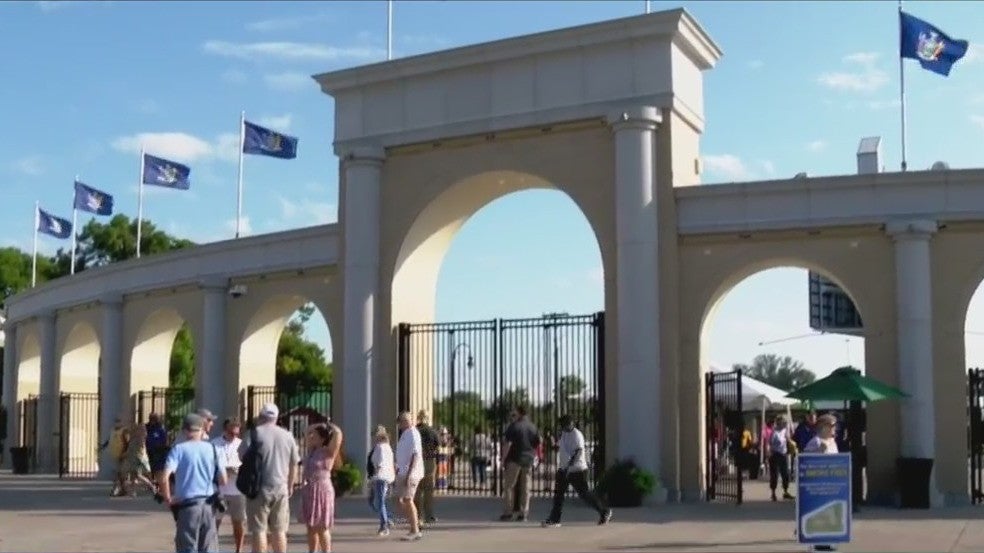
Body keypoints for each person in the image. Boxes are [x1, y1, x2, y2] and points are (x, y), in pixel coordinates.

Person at [158, 413, 226, 553]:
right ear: (202, 430)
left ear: (184, 431)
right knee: (208, 547)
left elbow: (164, 477)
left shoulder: (178, 449)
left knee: (187, 546)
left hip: (188, 506)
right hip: (208, 505)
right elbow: (223, 480)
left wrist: (168, 498)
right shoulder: (213, 449)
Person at [238, 404, 300, 553]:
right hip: (281, 488)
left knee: (259, 529)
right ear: (277, 418)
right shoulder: (287, 435)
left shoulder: (254, 434)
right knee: (279, 530)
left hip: (258, 488)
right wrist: (290, 485)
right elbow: (294, 464)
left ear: (260, 416)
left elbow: (241, 456)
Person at [541, 415, 612, 528]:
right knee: (558, 495)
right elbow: (563, 448)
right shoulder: (564, 434)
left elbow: (578, 451)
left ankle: (604, 511)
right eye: (562, 426)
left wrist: (569, 466)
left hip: (577, 470)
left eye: (565, 425)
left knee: (584, 494)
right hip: (564, 469)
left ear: (571, 424)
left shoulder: (577, 435)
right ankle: (555, 519)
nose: (564, 427)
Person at [300, 422, 342, 553]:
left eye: (315, 436)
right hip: (310, 489)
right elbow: (306, 432)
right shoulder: (312, 451)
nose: (312, 438)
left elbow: (338, 434)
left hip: (322, 489)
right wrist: (316, 425)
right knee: (310, 526)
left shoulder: (329, 452)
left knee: (322, 526)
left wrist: (329, 426)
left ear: (323, 439)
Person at [802, 414, 839, 552]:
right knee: (819, 512)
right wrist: (818, 451)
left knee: (831, 513)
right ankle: (819, 542)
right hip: (818, 485)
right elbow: (804, 462)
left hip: (832, 484)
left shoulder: (833, 442)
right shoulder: (815, 442)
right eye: (832, 426)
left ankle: (829, 540)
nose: (835, 429)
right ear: (823, 427)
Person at [499, 405, 540, 522]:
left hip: (514, 459)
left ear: (520, 414)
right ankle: (524, 513)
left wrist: (503, 459)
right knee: (526, 487)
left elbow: (507, 444)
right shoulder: (533, 427)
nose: (513, 416)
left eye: (514, 413)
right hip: (528, 460)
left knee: (509, 486)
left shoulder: (514, 426)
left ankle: (508, 512)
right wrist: (532, 453)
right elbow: (538, 441)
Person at [212, 418, 246, 553]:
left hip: (238, 489)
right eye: (231, 433)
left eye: (237, 434)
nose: (234, 436)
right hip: (219, 489)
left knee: (238, 522)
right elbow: (209, 464)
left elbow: (248, 464)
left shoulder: (242, 444)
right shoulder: (214, 444)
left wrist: (239, 469)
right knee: (215, 522)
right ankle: (212, 548)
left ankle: (239, 549)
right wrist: (223, 470)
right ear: (225, 430)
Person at [395, 411, 424, 541]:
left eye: (405, 420)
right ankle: (414, 524)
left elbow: (415, 454)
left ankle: (415, 529)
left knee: (408, 499)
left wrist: (409, 473)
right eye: (401, 420)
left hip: (410, 472)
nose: (402, 423)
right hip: (403, 471)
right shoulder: (405, 434)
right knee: (401, 499)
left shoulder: (413, 433)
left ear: (410, 421)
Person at [413, 410, 440, 525]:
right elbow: (437, 445)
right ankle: (429, 515)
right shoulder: (432, 431)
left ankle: (417, 515)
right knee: (429, 490)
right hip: (429, 461)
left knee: (417, 490)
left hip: (417, 461)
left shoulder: (414, 431)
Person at [368, 425, 396, 536]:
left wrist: (373, 478)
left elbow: (379, 464)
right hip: (385, 477)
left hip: (380, 477)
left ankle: (384, 525)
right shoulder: (387, 447)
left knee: (379, 502)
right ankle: (387, 518)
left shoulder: (380, 447)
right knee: (377, 501)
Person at [767, 415, 793, 502]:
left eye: (785, 422)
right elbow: (770, 444)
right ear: (778, 423)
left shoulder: (785, 431)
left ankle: (785, 491)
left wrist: (789, 441)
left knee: (785, 474)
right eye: (783, 422)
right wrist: (768, 453)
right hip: (775, 455)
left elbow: (789, 441)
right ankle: (773, 493)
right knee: (774, 475)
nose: (785, 423)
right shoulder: (774, 432)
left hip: (783, 455)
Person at [146, 413, 170, 479]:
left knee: (157, 468)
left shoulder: (160, 429)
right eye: (151, 418)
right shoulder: (146, 428)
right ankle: (151, 480)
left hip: (158, 452)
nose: (152, 420)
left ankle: (155, 480)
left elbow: (165, 440)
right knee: (149, 468)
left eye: (154, 419)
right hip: (148, 451)